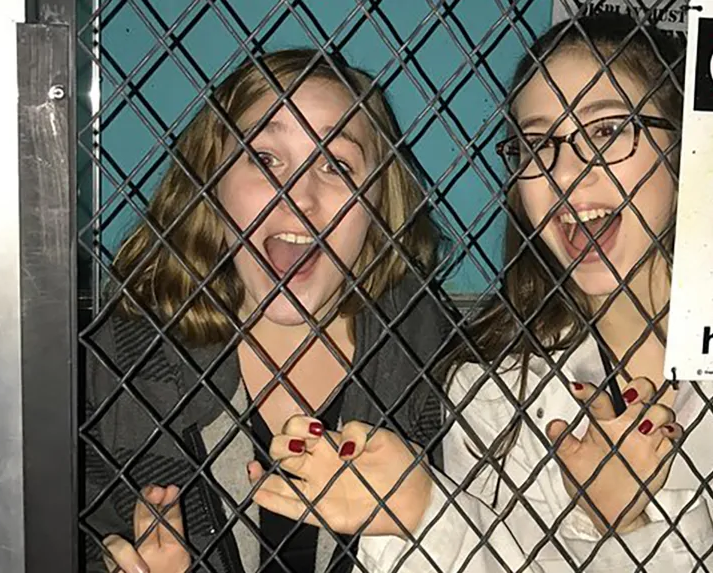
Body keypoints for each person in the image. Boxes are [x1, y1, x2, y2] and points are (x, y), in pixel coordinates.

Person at [250, 12, 713, 573]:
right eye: (537, 144)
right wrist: (417, 513)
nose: (565, 173)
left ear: (686, 149)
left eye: (607, 131)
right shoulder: (491, 394)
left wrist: (629, 525)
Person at [84, 48, 452, 573]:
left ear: (376, 202)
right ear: (211, 186)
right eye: (265, 159)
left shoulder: (440, 369)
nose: (298, 196)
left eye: (335, 164)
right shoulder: (119, 368)